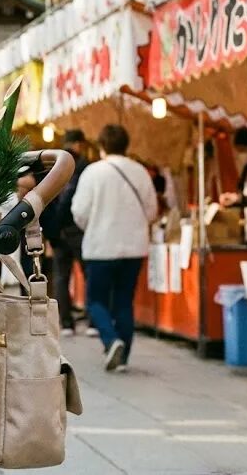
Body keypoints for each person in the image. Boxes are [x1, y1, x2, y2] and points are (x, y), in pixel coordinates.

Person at [71, 125, 157, 373]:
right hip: (134, 247)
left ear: (101, 146)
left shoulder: (92, 173)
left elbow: (79, 212)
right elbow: (151, 211)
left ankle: (111, 340)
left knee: (95, 300)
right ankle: (123, 355)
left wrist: (94, 224)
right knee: (124, 300)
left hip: (101, 246)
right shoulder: (140, 172)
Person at [51, 129, 90, 336]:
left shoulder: (54, 163)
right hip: (77, 227)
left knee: (61, 276)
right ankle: (92, 321)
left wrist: (53, 229)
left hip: (59, 230)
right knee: (87, 272)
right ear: (78, 144)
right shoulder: (83, 166)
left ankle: (66, 322)